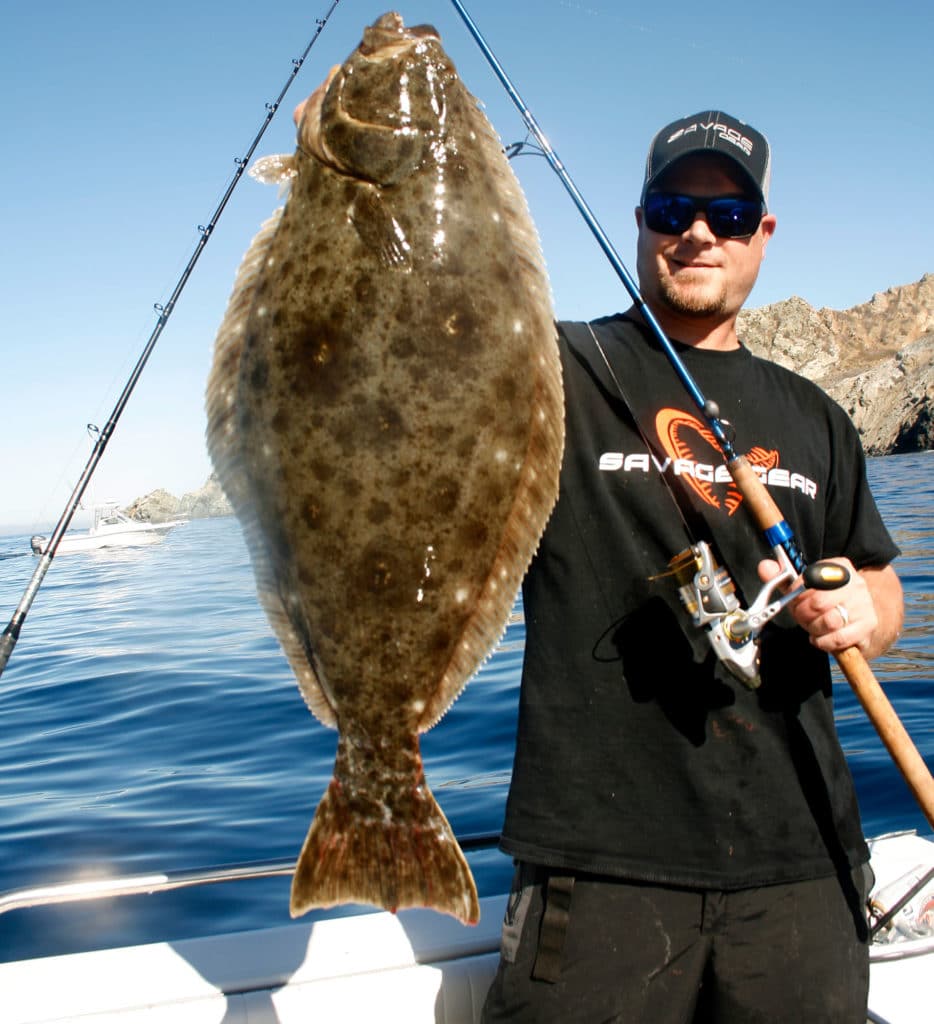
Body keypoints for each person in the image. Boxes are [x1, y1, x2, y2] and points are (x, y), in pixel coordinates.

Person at [481, 111, 904, 1023]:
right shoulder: (554, 368)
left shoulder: (817, 416)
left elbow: (876, 575)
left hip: (804, 861)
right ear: (639, 221)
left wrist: (865, 612)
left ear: (764, 233)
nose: (700, 233)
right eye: (674, 208)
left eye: (730, 214)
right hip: (599, 864)